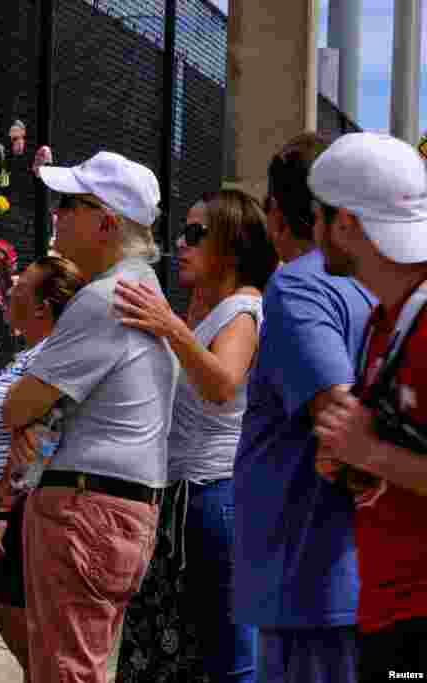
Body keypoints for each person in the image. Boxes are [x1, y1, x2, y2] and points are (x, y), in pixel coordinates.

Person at [2, 151, 179, 683]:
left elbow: (20, 404)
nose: (55, 214)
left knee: (64, 673)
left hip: (85, 511)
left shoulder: (105, 298)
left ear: (106, 222)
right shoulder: (145, 288)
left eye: (68, 204)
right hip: (120, 508)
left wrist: (29, 420)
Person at [113, 189, 279, 683]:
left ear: (230, 244)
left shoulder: (244, 310)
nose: (180, 245)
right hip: (188, 499)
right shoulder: (211, 309)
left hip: (214, 498)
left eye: (195, 234)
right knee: (188, 653)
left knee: (229, 659)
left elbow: (223, 386)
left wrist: (172, 329)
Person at [232, 132, 374, 683]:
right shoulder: (371, 288)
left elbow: (342, 421)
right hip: (343, 584)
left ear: (276, 214)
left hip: (313, 589)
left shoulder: (299, 287)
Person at [308, 132, 427, 680]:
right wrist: (356, 465)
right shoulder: (388, 319)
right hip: (389, 611)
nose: (312, 230)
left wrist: (368, 451)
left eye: (320, 214)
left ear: (348, 223)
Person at [0, 256, 87, 680]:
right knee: (34, 660)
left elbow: (39, 439)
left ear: (42, 306)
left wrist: (0, 511)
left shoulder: (51, 359)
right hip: (4, 517)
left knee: (41, 660)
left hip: (16, 516)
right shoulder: (34, 355)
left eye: (20, 286)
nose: (10, 290)